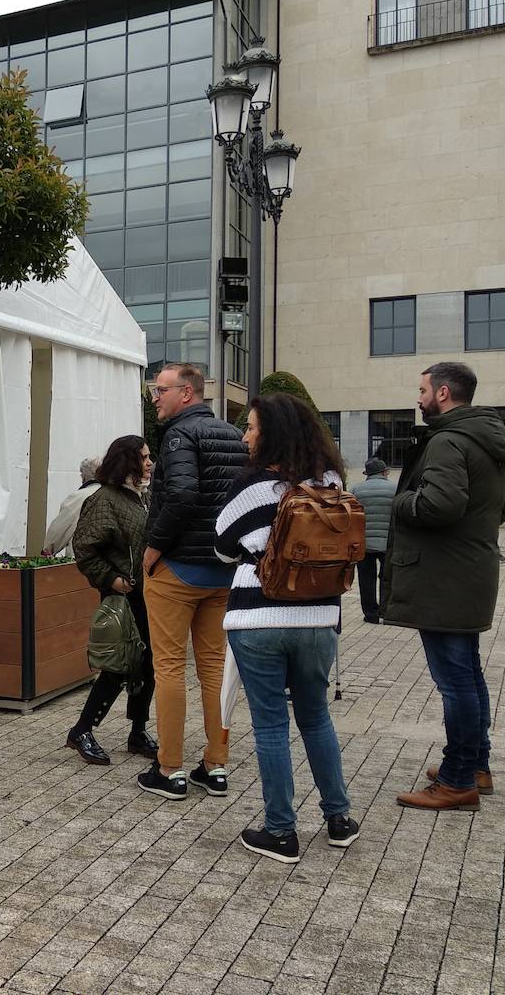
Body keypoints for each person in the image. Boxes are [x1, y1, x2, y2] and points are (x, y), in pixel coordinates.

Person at [214, 393, 361, 863]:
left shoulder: (253, 488)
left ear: (273, 433)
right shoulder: (332, 483)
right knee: (316, 716)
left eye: (252, 427)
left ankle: (280, 831)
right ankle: (338, 818)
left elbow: (222, 547)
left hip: (259, 619)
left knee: (271, 724)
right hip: (320, 619)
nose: (246, 436)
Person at [385, 362, 505, 811]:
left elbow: (439, 505)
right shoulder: (487, 438)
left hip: (443, 580)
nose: (418, 398)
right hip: (471, 574)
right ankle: (475, 765)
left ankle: (459, 779)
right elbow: (500, 509)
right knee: (468, 675)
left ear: (443, 393)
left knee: (455, 681)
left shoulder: (447, 440)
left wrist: (398, 499)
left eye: (422, 389)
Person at [138, 363, 248, 801]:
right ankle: (215, 765)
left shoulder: (180, 435)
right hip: (222, 569)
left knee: (167, 666)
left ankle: (170, 769)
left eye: (159, 390)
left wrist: (153, 547)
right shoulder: (233, 436)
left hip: (178, 567)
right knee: (214, 668)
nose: (155, 398)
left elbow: (182, 495)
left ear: (186, 392)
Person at [66, 436, 158, 765]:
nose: (149, 463)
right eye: (143, 458)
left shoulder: (141, 497)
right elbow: (85, 548)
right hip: (123, 594)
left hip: (147, 595)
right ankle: (82, 729)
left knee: (148, 663)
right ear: (126, 461)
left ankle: (137, 731)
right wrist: (112, 579)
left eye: (150, 457)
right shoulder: (105, 498)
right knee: (119, 665)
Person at [352, 458, 396, 624]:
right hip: (388, 544)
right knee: (387, 578)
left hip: (363, 544)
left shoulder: (356, 489)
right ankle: (387, 612)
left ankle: (371, 614)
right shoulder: (395, 489)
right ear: (384, 472)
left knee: (365, 580)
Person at [42, 457, 103, 555]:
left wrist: (47, 551)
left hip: (82, 561)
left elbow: (59, 529)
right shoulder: (116, 496)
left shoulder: (78, 498)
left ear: (83, 476)